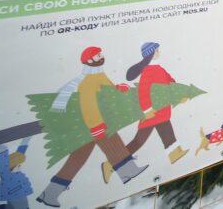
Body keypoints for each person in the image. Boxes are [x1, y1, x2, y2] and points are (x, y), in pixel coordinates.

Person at [36, 46, 148, 207]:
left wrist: (118, 88)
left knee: (78, 158)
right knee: (113, 143)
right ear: (89, 61)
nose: (101, 57)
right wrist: (95, 125)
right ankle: (127, 171)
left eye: (100, 54)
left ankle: (51, 192)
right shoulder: (87, 82)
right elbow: (89, 104)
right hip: (93, 123)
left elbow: (106, 88)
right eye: (97, 56)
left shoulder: (98, 75)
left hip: (94, 123)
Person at [101, 42, 188, 182]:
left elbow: (171, 82)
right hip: (153, 113)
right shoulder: (148, 71)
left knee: (168, 134)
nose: (159, 52)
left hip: (162, 111)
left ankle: (175, 154)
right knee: (138, 141)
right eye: (157, 50)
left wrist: (179, 95)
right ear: (151, 54)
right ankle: (111, 164)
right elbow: (143, 92)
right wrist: (147, 110)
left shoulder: (159, 69)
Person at [0, 136, 33, 209]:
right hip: (16, 197)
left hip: (18, 198)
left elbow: (20, 153)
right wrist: (2, 149)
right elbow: (3, 164)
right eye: (18, 165)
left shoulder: (14, 173)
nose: (20, 167)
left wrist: (26, 140)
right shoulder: (6, 174)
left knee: (16, 206)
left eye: (19, 165)